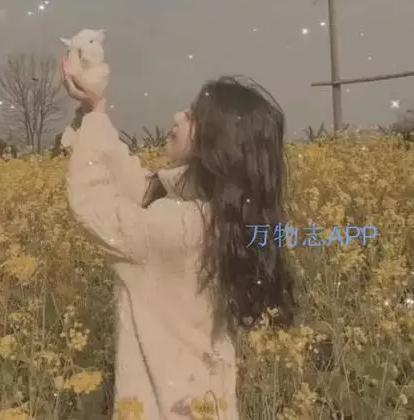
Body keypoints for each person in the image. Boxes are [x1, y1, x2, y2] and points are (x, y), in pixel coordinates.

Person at [60, 58, 296, 420]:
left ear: (217, 142)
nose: (177, 116)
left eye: (192, 115)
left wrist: (94, 118)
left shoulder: (179, 228)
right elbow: (141, 187)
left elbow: (92, 205)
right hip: (203, 403)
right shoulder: (219, 216)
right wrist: (97, 110)